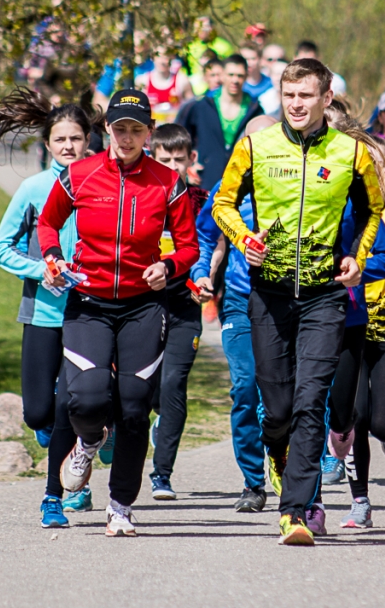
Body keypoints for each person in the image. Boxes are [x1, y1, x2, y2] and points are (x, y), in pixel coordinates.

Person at [211, 58, 384, 546]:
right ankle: (275, 450)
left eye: (306, 95)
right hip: (268, 296)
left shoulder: (352, 153)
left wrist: (359, 257)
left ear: (327, 99)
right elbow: (222, 204)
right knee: (280, 409)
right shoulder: (255, 146)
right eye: (289, 95)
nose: (297, 104)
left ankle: (295, 512)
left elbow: (375, 208)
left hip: (325, 295)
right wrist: (246, 239)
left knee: (311, 403)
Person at [37, 89, 201, 537]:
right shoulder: (80, 175)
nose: (127, 137)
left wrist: (167, 266)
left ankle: (120, 506)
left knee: (133, 410)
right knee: (86, 399)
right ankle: (89, 441)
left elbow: (189, 246)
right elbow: (48, 222)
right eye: (119, 128)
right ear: (106, 130)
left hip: (143, 308)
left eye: (136, 129)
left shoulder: (168, 183)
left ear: (148, 133)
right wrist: (53, 256)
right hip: (88, 305)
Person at [0, 90, 95, 528]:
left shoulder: (99, 184)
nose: (68, 147)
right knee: (38, 414)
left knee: (69, 404)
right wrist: (38, 270)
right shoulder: (33, 189)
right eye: (60, 140)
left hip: (88, 315)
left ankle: (58, 494)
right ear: (47, 145)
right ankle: (64, 440)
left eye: (76, 139)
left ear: (88, 141)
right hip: (42, 313)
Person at [192, 115, 280, 513]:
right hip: (240, 303)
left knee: (284, 393)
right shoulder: (226, 192)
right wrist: (202, 276)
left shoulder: (298, 186)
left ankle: (282, 455)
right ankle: (253, 482)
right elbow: (206, 238)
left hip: (287, 303)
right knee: (245, 387)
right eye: (252, 143)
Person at [334, 138, 385, 529]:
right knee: (354, 417)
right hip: (350, 323)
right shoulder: (343, 208)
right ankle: (360, 501)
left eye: (377, 163)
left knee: (383, 424)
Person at [145, 124, 210, 501]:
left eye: (178, 160)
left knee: (173, 386)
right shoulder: (141, 196)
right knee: (145, 389)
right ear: (152, 157)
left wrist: (205, 282)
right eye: (164, 159)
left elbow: (215, 244)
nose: (172, 166)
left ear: (191, 160)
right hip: (145, 303)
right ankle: (153, 422)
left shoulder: (202, 200)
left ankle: (162, 474)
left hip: (186, 304)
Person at [177, 54, 262, 190]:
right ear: (222, 75)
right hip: (204, 183)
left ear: (246, 76)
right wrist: (187, 167)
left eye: (240, 76)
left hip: (239, 185)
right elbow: (180, 138)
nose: (235, 80)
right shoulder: (202, 105)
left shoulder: (255, 109)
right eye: (231, 74)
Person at [140, 45, 194, 121]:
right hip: (153, 130)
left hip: (174, 129)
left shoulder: (182, 80)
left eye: (166, 57)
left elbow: (192, 108)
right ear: (152, 57)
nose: (162, 61)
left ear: (172, 58)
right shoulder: (142, 81)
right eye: (159, 56)